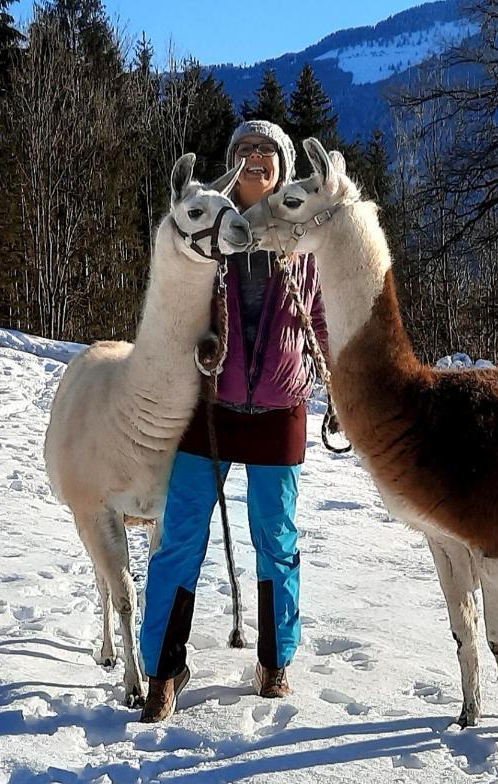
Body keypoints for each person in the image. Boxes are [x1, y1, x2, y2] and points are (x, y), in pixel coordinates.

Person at [139, 120, 329, 722]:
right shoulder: (206, 231)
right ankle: (163, 670)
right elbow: (172, 310)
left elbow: (322, 315)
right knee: (181, 537)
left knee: (276, 538)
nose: (255, 159)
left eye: (267, 152)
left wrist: (339, 379)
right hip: (209, 408)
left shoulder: (301, 234)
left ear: (283, 167)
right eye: (245, 150)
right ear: (231, 164)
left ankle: (275, 660)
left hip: (279, 408)